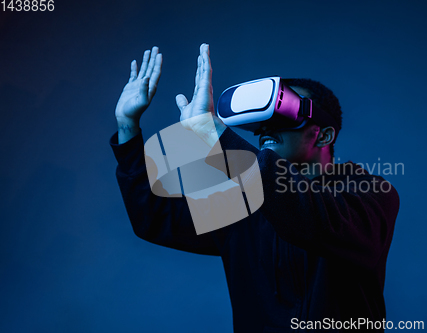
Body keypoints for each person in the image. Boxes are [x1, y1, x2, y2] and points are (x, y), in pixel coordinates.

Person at [110, 44, 400, 332]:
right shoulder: (240, 201)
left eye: (283, 116)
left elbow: (312, 218)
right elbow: (155, 217)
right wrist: (127, 128)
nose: (265, 131)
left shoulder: (370, 193)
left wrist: (216, 137)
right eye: (260, 124)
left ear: (323, 135)